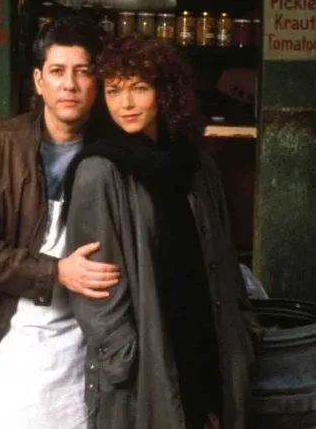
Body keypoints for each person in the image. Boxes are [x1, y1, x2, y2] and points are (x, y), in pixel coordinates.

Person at [62, 34, 264, 429]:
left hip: (208, 338)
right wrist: (124, 356)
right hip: (149, 356)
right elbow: (95, 285)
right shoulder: (100, 170)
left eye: (140, 88)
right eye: (114, 90)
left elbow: (223, 255)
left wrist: (245, 327)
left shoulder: (195, 164)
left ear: (165, 92)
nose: (126, 104)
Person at [0, 15, 121, 429]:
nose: (70, 84)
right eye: (58, 71)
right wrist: (55, 271)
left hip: (86, 339)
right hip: (12, 330)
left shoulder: (117, 150)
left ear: (97, 84)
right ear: (38, 80)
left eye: (83, 72)